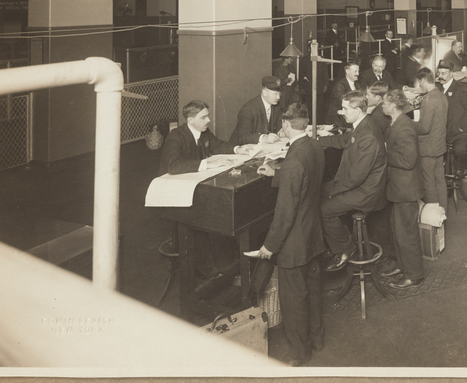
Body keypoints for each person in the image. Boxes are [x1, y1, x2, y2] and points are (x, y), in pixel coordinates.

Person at [256, 104, 325, 366]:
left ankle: (299, 353)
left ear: (286, 125)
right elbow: (304, 178)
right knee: (314, 293)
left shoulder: (293, 160)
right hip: (313, 237)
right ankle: (317, 341)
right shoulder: (313, 146)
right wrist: (277, 173)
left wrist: (269, 247)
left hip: (294, 245)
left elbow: (284, 213)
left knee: (294, 301)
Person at [159, 100, 241, 280]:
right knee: (199, 218)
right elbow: (173, 166)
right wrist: (207, 163)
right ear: (190, 120)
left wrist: (238, 149)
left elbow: (218, 145)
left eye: (208, 116)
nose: (208, 120)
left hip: (192, 184)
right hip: (173, 190)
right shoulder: (175, 137)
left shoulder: (203, 132)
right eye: (203, 117)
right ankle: (209, 270)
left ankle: (216, 264)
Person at [317, 91, 387, 272]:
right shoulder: (361, 125)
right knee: (317, 193)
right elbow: (343, 140)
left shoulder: (368, 134)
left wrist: (334, 191)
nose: (342, 112)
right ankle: (334, 243)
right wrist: (316, 140)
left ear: (358, 109)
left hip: (367, 192)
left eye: (345, 108)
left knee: (324, 210)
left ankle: (346, 250)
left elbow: (356, 177)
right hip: (359, 184)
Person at [378, 89, 425, 289]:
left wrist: (384, 154)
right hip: (399, 188)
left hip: (406, 189)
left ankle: (414, 275)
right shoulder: (394, 122)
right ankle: (402, 265)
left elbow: (408, 160)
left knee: (407, 233)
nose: (382, 106)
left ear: (394, 106)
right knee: (398, 231)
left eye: (385, 103)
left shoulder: (404, 127)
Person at [414, 67, 449, 209]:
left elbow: (424, 128)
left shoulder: (428, 99)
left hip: (428, 148)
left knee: (429, 183)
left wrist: (410, 124)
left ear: (423, 80)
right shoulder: (441, 95)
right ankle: (443, 213)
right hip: (439, 145)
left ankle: (433, 218)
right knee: (440, 180)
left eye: (419, 82)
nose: (419, 86)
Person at [436, 61, 467, 173]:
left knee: (459, 150)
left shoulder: (460, 89)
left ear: (451, 74)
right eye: (439, 73)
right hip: (445, 131)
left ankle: (460, 171)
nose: (440, 76)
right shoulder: (438, 89)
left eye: (443, 73)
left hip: (460, 132)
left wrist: (462, 128)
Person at [228, 76, 284, 146]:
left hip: (262, 148)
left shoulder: (276, 105)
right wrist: (264, 138)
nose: (278, 97)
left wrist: (281, 130)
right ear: (265, 92)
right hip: (240, 150)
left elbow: (278, 125)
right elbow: (243, 136)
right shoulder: (248, 109)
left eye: (279, 94)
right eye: (275, 94)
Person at [325, 62, 361, 126]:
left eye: (358, 71)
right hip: (338, 121)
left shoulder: (357, 84)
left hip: (350, 116)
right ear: (347, 71)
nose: (358, 74)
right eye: (355, 71)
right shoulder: (339, 85)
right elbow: (345, 103)